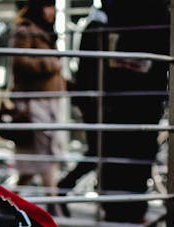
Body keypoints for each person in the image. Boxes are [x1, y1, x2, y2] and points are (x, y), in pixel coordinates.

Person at [100, 1, 170, 224]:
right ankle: (131, 209)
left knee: (119, 147)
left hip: (122, 92)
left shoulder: (118, 13)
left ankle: (115, 207)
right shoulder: (156, 13)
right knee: (138, 148)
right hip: (145, 92)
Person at [11, 0, 66, 215]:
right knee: (45, 150)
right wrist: (51, 63)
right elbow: (20, 62)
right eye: (47, 6)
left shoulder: (45, 31)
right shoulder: (25, 30)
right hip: (34, 100)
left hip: (50, 99)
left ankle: (10, 198)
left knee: (37, 155)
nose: (51, 12)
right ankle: (52, 202)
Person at [58, 4, 108, 197]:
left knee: (99, 150)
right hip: (93, 98)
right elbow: (91, 67)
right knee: (99, 151)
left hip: (92, 97)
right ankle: (65, 185)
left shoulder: (94, 26)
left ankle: (65, 186)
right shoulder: (97, 28)